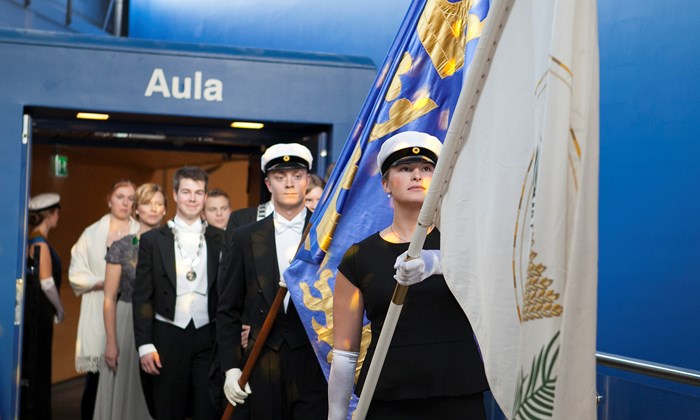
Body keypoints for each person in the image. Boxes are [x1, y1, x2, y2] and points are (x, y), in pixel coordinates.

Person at [328, 131, 489, 419]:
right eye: (405, 169)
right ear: (386, 184)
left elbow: (492, 280)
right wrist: (337, 414)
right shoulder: (359, 257)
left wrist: (437, 261)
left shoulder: (464, 244)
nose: (417, 175)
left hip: (457, 393)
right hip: (389, 397)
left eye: (427, 169)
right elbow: (345, 352)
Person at [217, 143, 328, 419]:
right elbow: (227, 308)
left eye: (297, 176)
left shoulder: (328, 235)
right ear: (268, 183)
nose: (289, 183)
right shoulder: (245, 237)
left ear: (307, 181)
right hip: (263, 358)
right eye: (280, 177)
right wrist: (231, 367)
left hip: (314, 359)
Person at [133, 166, 224, 420]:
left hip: (208, 336)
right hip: (166, 337)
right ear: (175, 195)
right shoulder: (152, 240)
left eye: (198, 192)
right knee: (168, 410)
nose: (192, 198)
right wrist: (144, 344)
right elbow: (142, 297)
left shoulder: (222, 238)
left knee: (207, 409)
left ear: (205, 197)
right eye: (186, 192)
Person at [94, 183, 167, 419]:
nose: (153, 209)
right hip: (128, 323)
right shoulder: (122, 247)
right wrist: (111, 342)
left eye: (159, 203)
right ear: (136, 209)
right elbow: (108, 297)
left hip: (164, 322)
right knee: (130, 393)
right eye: (147, 203)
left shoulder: (174, 245)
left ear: (166, 209)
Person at [69, 180, 140, 420]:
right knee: (97, 377)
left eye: (131, 198)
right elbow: (75, 274)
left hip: (130, 310)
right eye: (120, 196)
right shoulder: (90, 234)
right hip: (99, 306)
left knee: (128, 373)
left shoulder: (139, 231)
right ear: (109, 199)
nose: (125, 202)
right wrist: (107, 282)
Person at [20, 193, 65, 420]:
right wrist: (60, 308)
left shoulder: (31, 240)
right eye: (57, 213)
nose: (59, 218)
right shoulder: (40, 243)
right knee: (39, 365)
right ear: (51, 214)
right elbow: (46, 282)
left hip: (35, 312)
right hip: (40, 313)